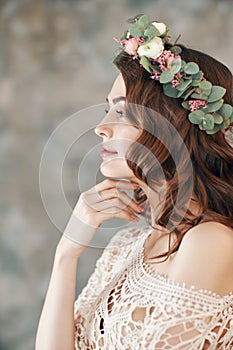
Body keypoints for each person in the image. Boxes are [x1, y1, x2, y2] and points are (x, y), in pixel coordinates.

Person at [35, 14, 233, 349]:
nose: (101, 127)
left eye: (122, 112)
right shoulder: (124, 246)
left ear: (171, 125)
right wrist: (66, 253)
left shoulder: (209, 242)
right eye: (106, 110)